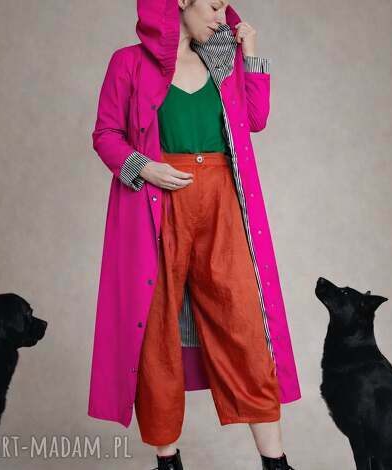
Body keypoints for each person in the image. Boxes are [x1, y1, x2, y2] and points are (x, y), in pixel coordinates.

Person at [88, 1, 301, 469]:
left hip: (222, 200)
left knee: (244, 324)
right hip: (158, 205)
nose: (221, 16)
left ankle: (277, 464)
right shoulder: (128, 62)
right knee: (156, 328)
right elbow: (105, 134)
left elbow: (255, 119)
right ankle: (167, 461)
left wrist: (251, 53)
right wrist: (145, 168)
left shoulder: (223, 60)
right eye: (212, 5)